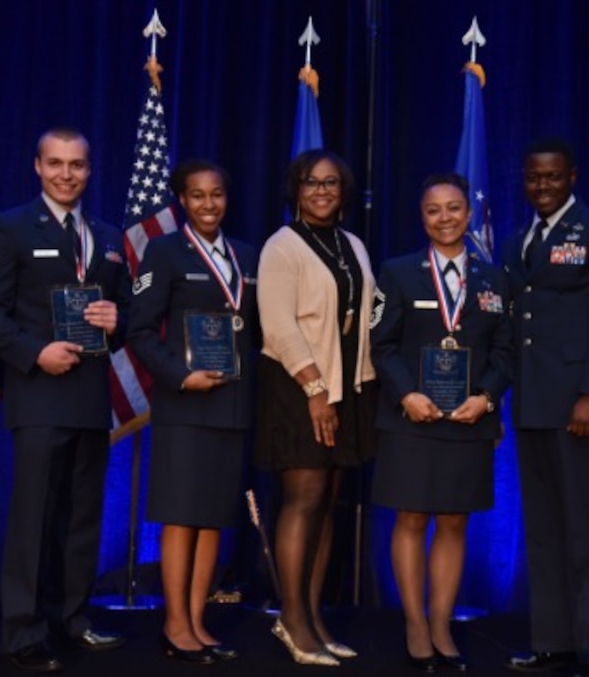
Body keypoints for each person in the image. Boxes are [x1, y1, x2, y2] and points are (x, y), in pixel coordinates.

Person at [0, 127, 130, 672]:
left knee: (83, 517)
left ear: (89, 169)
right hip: (38, 393)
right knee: (33, 517)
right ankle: (22, 632)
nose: (66, 174)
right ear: (37, 166)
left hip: (89, 395)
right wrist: (34, 353)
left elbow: (124, 316)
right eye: (56, 163)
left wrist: (116, 320)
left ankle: (72, 618)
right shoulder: (8, 227)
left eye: (77, 165)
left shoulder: (106, 236)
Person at [500, 137, 589, 676]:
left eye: (553, 177)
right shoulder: (518, 242)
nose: (542, 185)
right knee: (544, 529)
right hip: (533, 405)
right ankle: (554, 642)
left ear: (573, 177)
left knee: (586, 528)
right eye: (534, 177)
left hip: (582, 405)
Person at [370, 173, 513, 672]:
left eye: (454, 208)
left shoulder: (495, 278)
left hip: (469, 420)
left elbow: (505, 349)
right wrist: (406, 393)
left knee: (454, 523)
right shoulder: (398, 272)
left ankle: (441, 623)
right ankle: (413, 624)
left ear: (469, 214)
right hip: (410, 417)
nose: (445, 218)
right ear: (422, 217)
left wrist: (487, 398)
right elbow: (380, 345)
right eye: (434, 210)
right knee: (411, 519)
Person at [127, 160, 258, 664]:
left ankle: (198, 621)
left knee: (213, 518)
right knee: (181, 517)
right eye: (198, 196)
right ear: (182, 199)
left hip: (231, 403)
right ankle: (174, 623)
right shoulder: (163, 252)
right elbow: (139, 330)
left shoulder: (246, 255)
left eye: (217, 194)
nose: (209, 204)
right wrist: (181, 376)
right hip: (185, 402)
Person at [255, 149, 377, 666]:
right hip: (299, 387)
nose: (322, 191)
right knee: (302, 499)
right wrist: (314, 390)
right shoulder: (282, 246)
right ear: (295, 190)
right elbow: (279, 326)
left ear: (343, 191)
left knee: (328, 501)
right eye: (311, 183)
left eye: (331, 183)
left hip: (347, 387)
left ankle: (314, 616)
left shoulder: (352, 243)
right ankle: (292, 620)